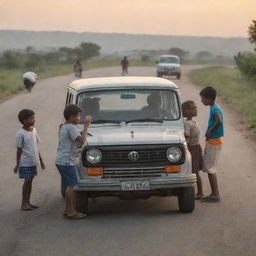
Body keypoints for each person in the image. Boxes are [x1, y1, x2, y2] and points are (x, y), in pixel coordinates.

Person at [55, 104, 91, 219]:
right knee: (71, 186)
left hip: (61, 159)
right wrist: (86, 127)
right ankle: (70, 211)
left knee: (69, 185)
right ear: (71, 117)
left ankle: (68, 210)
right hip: (66, 160)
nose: (79, 119)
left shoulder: (63, 126)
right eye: (78, 116)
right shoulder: (71, 127)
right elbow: (81, 141)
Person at [14, 109, 45, 210]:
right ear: (24, 121)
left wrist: (41, 161)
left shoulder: (34, 130)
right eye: (32, 118)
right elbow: (18, 150)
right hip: (25, 162)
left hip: (33, 161)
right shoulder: (20, 134)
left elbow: (35, 146)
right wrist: (17, 164)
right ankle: (24, 203)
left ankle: (28, 202)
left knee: (30, 181)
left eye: (34, 118)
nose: (34, 120)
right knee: (27, 181)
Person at [199, 86, 224, 203]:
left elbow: (219, 121)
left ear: (209, 98)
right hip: (216, 140)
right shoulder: (215, 107)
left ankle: (215, 194)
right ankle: (214, 193)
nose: (201, 101)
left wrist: (210, 132)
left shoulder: (214, 109)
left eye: (203, 98)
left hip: (213, 141)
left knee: (210, 169)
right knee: (210, 167)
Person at [182, 100, 204, 199]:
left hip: (195, 148)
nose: (195, 110)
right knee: (194, 172)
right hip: (192, 148)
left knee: (195, 172)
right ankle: (199, 192)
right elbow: (186, 138)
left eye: (195, 108)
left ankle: (200, 192)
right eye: (191, 109)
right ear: (185, 112)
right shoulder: (187, 123)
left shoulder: (192, 122)